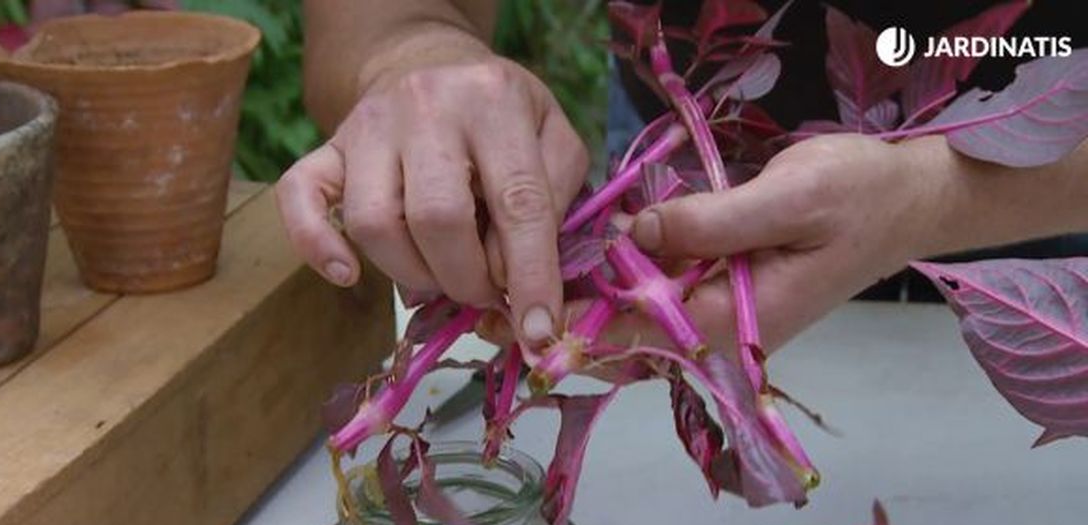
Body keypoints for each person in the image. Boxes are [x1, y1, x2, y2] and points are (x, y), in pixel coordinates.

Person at [276, 0, 1088, 358]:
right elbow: (383, 19)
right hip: (677, 164)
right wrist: (415, 57)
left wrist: (936, 197)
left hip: (1055, 193)